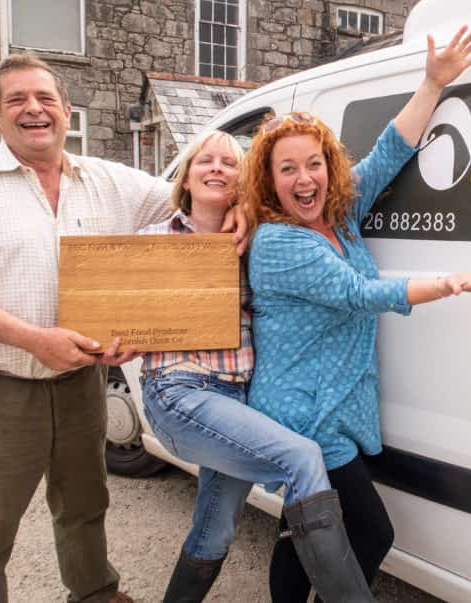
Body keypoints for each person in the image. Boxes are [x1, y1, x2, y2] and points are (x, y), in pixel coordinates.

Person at [0, 53, 238, 603]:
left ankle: (94, 594)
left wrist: (238, 207)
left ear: (65, 110)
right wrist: (35, 341)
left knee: (85, 504)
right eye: (17, 100)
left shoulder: (106, 180)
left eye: (46, 99)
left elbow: (194, 199)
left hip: (80, 379)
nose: (34, 110)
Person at [242, 26, 471, 601]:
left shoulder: (339, 216)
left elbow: (391, 151)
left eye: (313, 164)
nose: (304, 179)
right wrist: (449, 282)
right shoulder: (278, 243)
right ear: (269, 180)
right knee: (367, 531)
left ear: (327, 168)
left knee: (305, 533)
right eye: (287, 169)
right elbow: (357, 293)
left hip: (332, 411)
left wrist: (432, 82)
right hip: (305, 419)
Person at [138, 131, 374, 602]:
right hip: (180, 390)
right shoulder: (153, 241)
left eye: (230, 162)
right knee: (302, 457)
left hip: (237, 401)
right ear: (185, 176)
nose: (217, 168)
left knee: (216, 531)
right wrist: (112, 342)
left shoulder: (252, 243)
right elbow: (115, 315)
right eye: (205, 160)